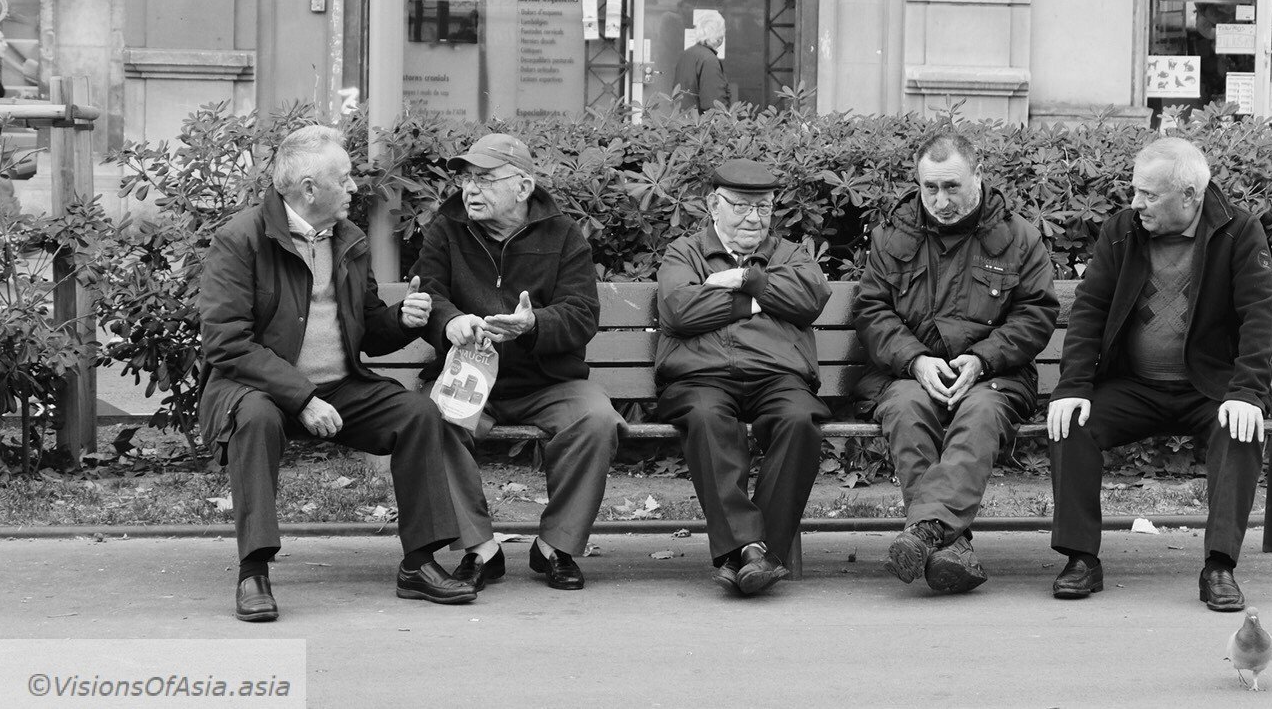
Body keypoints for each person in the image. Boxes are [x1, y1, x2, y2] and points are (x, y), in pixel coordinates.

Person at [197, 124, 482, 622]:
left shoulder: (347, 238)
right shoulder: (241, 239)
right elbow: (227, 342)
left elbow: (366, 326)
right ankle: (254, 571)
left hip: (341, 387)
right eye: (345, 177)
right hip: (256, 390)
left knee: (417, 414)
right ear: (310, 189)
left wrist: (402, 320)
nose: (354, 188)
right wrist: (303, 398)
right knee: (258, 421)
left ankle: (419, 563)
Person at [1047, 136, 1272, 611]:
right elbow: (1089, 309)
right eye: (1136, 191)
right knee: (1071, 423)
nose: (1136, 203)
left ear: (1190, 195)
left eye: (1149, 195)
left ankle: (1219, 566)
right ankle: (1080, 559)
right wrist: (1072, 387)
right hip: (1133, 386)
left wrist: (1247, 393)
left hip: (1209, 387)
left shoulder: (1238, 231)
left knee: (1240, 430)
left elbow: (1261, 313)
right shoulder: (1121, 231)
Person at [411, 132, 623, 592]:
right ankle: (480, 550)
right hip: (468, 376)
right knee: (431, 419)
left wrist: (534, 325)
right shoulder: (444, 230)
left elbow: (582, 314)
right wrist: (449, 323)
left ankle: (555, 548)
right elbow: (431, 296)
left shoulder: (564, 235)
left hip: (546, 380)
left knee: (597, 419)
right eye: (466, 178)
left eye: (485, 179)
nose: (470, 189)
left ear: (523, 187)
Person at [854, 130, 1059, 593]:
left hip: (995, 376)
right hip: (907, 374)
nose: (940, 200)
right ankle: (951, 546)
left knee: (980, 412)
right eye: (930, 188)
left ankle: (926, 530)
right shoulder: (892, 235)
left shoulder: (1019, 238)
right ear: (918, 181)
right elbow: (871, 310)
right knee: (906, 409)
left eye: (952, 187)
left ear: (978, 177)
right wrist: (916, 361)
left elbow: (1036, 313)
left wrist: (982, 360)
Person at [654, 158, 830, 596]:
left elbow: (810, 297)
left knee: (800, 420)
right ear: (714, 204)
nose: (754, 218)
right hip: (702, 376)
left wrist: (743, 279)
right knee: (707, 419)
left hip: (777, 377)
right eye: (742, 206)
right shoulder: (684, 252)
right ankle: (754, 550)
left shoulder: (790, 254)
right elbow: (679, 308)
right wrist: (759, 301)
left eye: (765, 208)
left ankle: (752, 553)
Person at [672, 12, 730, 114]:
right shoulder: (709, 60)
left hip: (681, 123)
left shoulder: (686, 54)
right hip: (700, 126)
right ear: (719, 35)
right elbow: (714, 104)